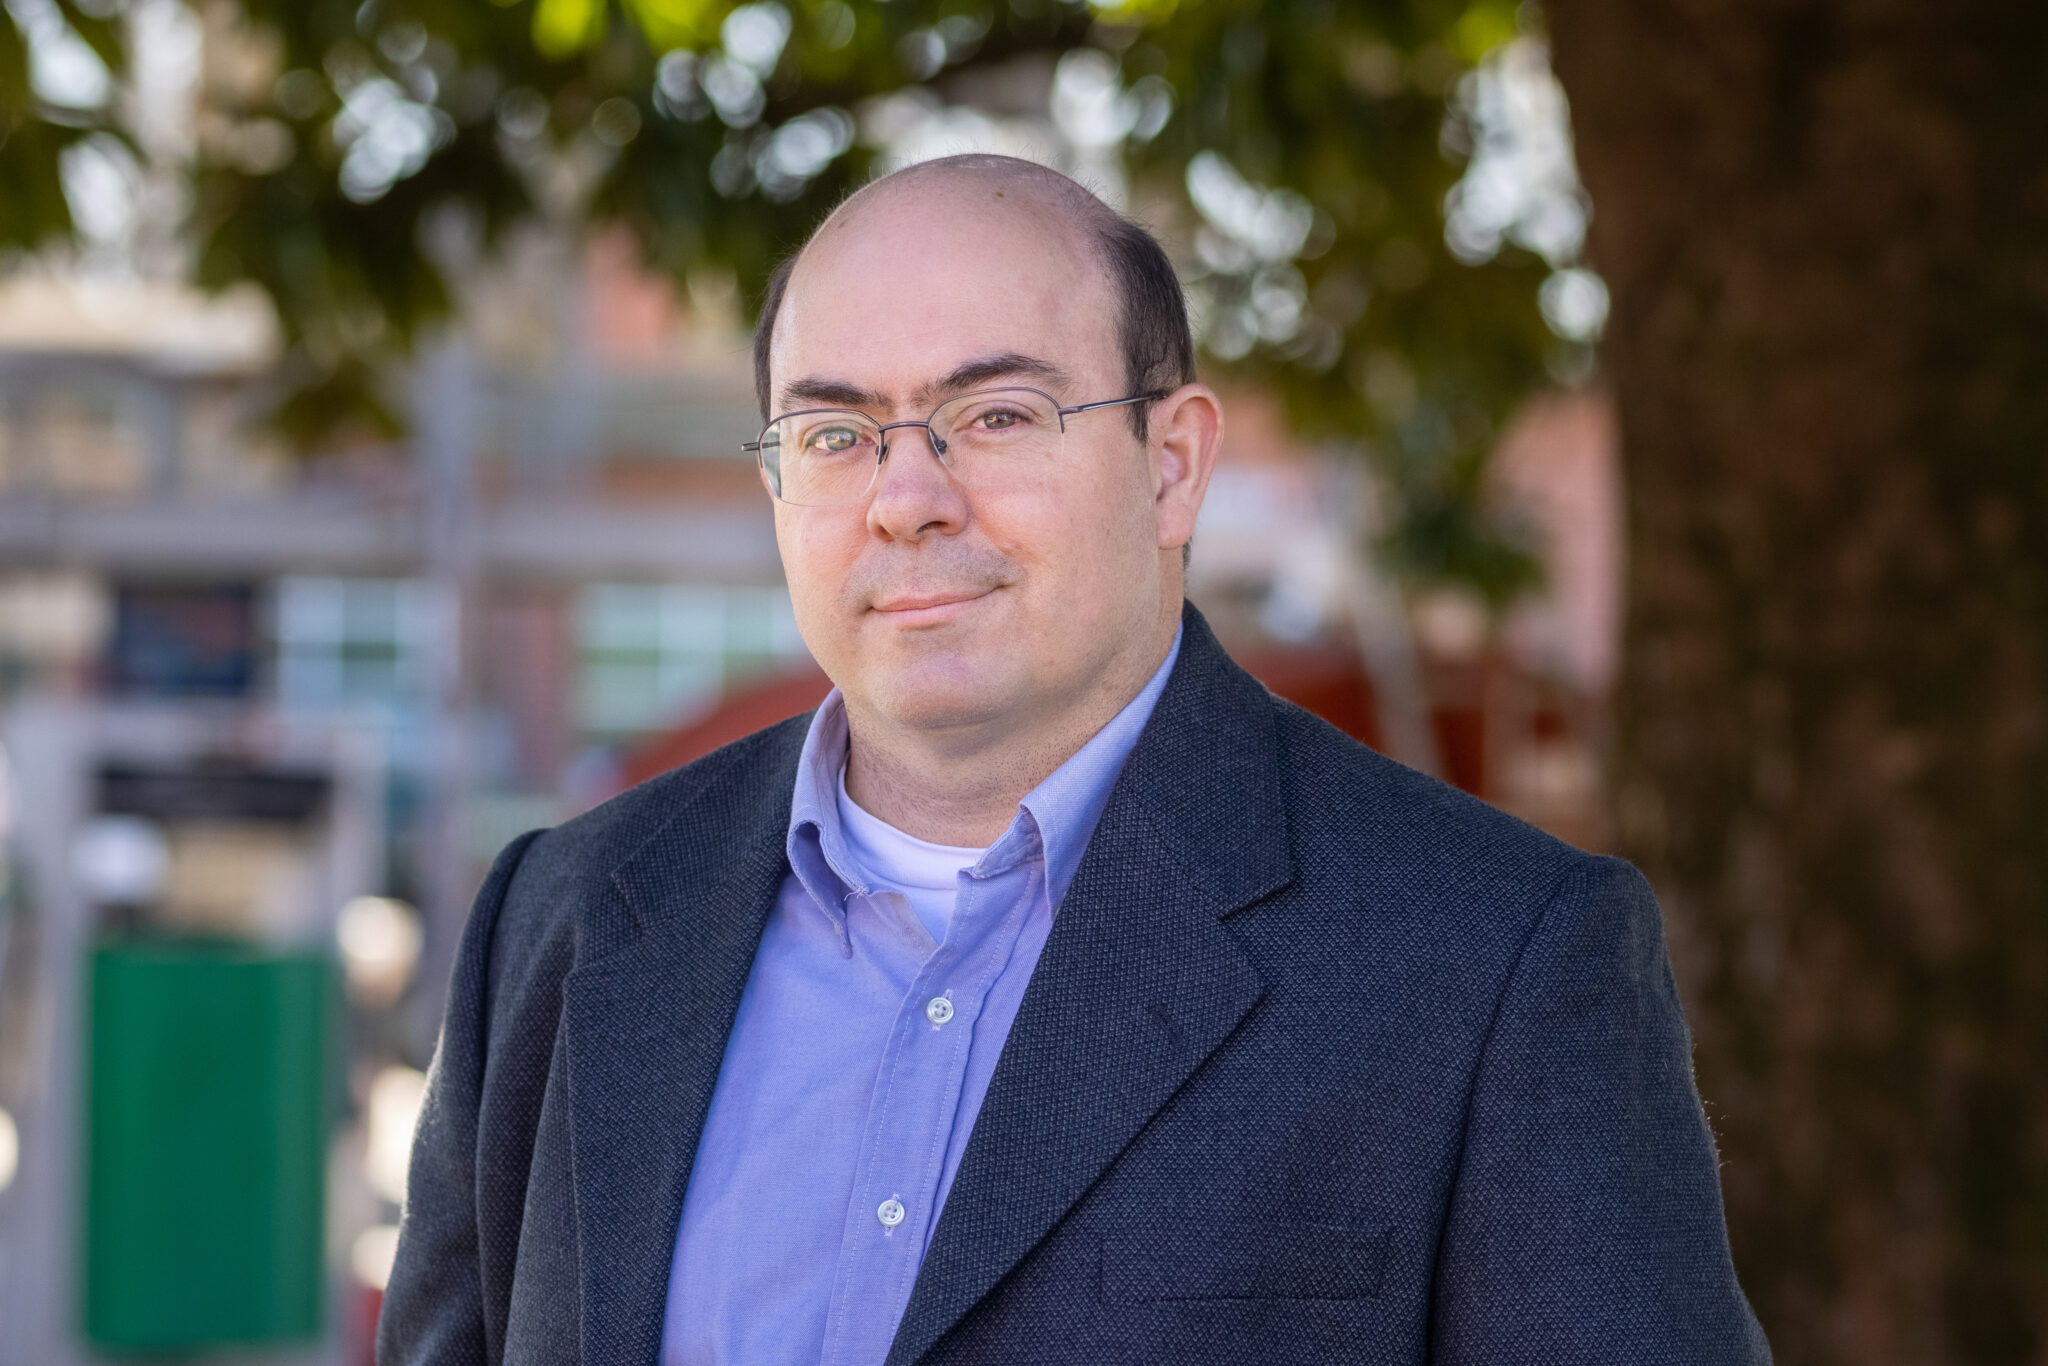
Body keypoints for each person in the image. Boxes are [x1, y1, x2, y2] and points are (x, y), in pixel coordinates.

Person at [378, 154, 1769, 1365]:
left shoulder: (1493, 958)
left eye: (997, 415)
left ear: (1173, 464)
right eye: (836, 433)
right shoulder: (560, 920)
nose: (906, 499)